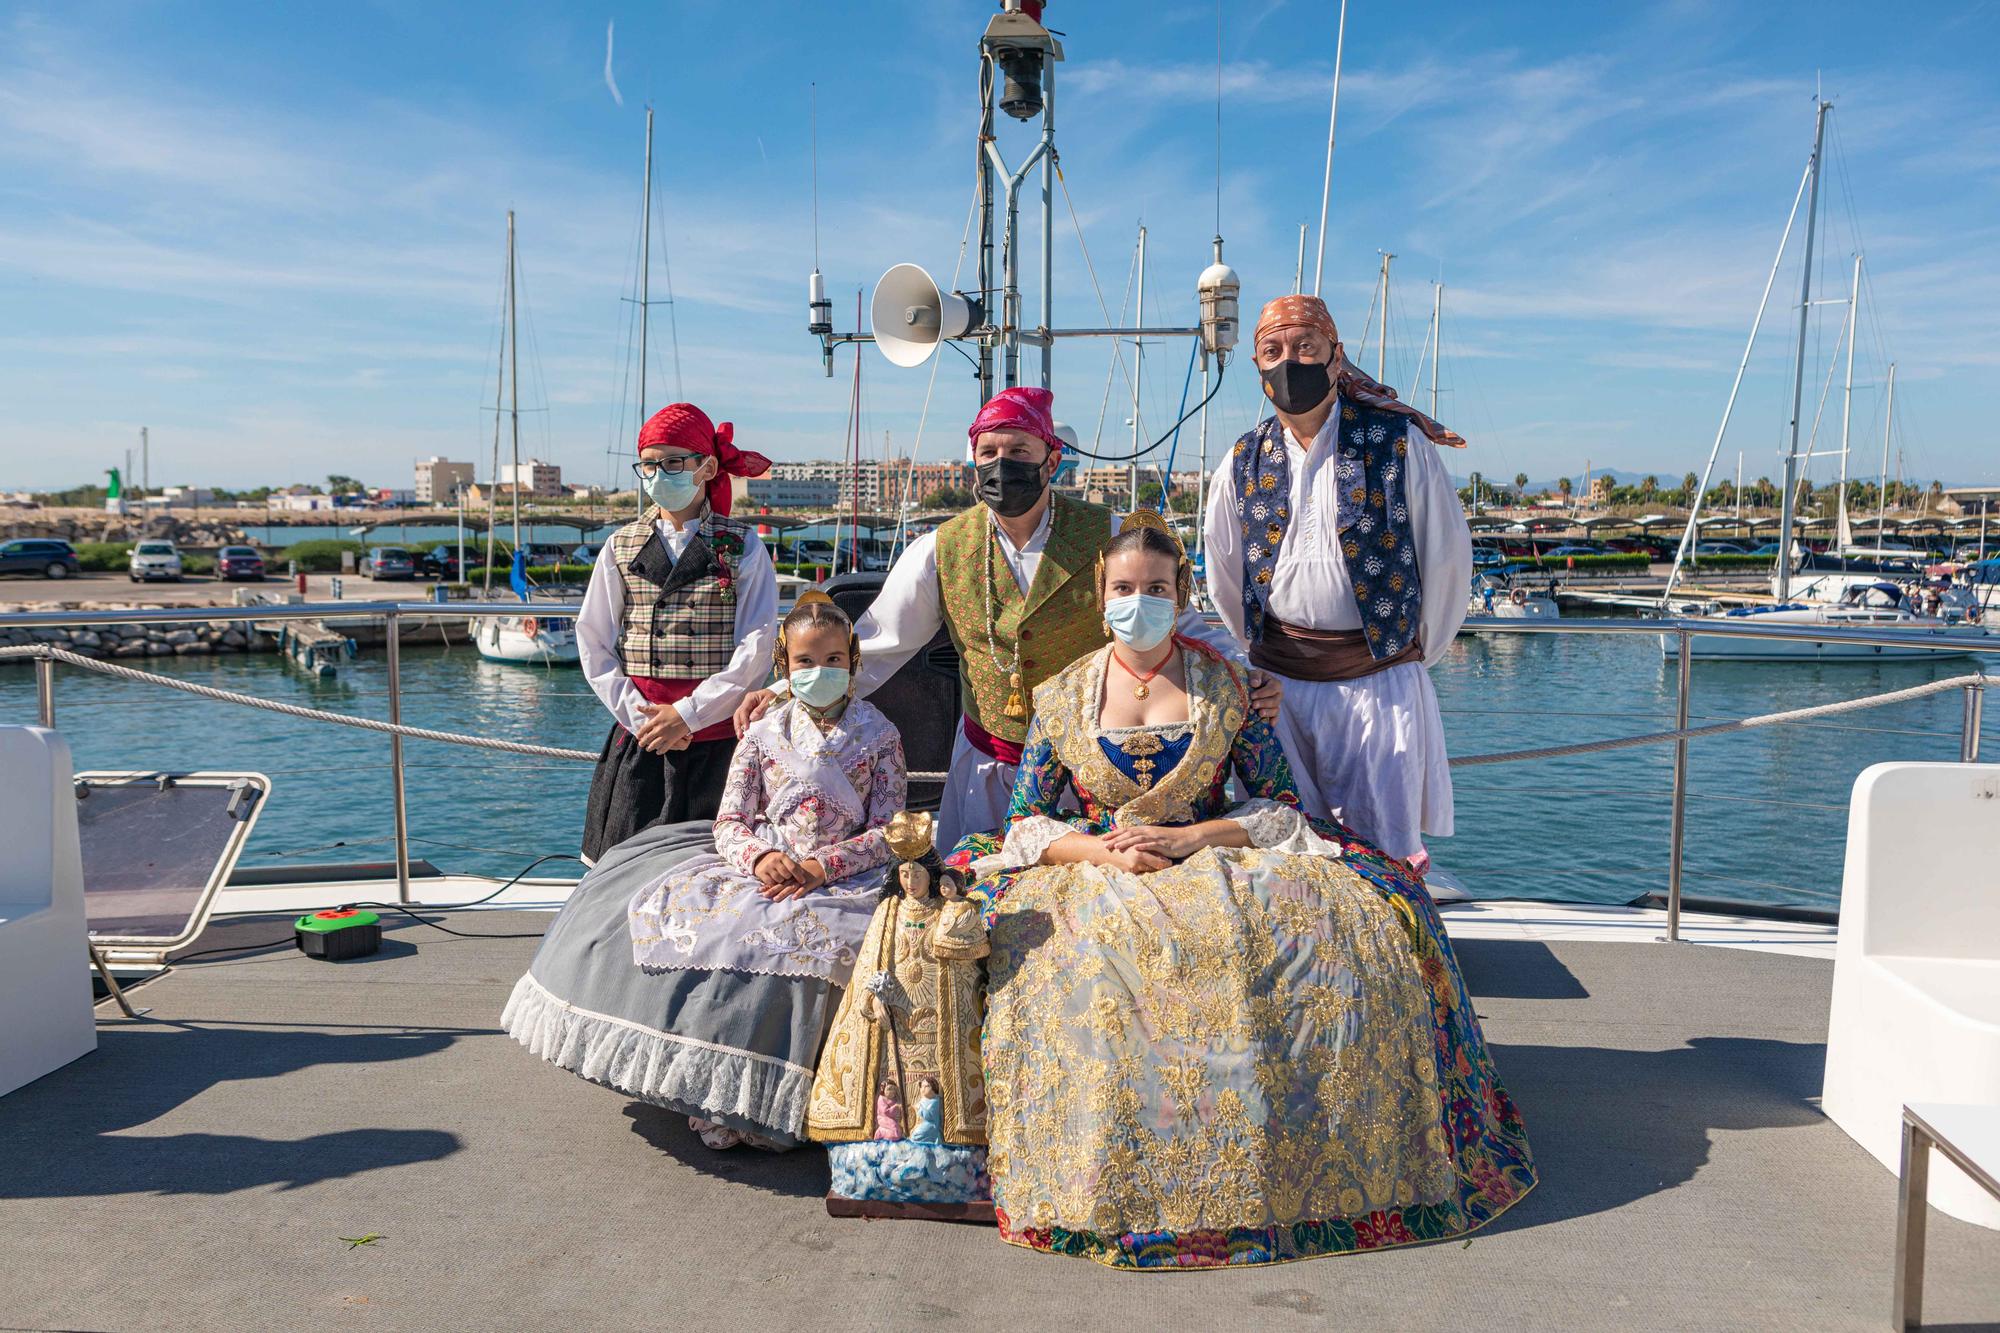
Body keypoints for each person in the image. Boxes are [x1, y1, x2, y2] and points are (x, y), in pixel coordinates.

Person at [954, 513, 1534, 1269]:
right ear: (1101, 597)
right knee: (1096, 962)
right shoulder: (1062, 693)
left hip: (1210, 850)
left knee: (1354, 922)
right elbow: (1025, 821)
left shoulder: (1226, 684)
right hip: (1096, 864)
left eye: (1155, 588)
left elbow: (1277, 806)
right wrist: (1102, 851)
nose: (1140, 600)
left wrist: (1190, 837)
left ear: (1180, 592)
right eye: (1125, 588)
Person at [734, 385, 1279, 850]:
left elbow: (1178, 621)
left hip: (1089, 776)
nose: (1002, 464)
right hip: (985, 763)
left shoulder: (1111, 533)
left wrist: (1244, 676)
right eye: (988, 451)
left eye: (1019, 449)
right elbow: (878, 645)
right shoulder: (940, 549)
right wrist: (784, 692)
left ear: (1051, 458)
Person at [504, 592, 905, 1150]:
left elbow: (889, 830)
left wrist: (821, 867)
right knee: (722, 933)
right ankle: (721, 1092)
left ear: (853, 662)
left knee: (823, 946)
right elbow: (730, 821)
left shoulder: (881, 734)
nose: (820, 672)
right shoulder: (763, 733)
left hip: (844, 876)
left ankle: (800, 1102)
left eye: (834, 660)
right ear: (784, 667)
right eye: (806, 662)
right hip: (764, 865)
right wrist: (763, 858)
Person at [1204, 294, 1473, 872]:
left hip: (1378, 686)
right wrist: (1261, 656)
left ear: (1336, 357)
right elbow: (1223, 573)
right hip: (1278, 693)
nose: (1288, 361)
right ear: (1256, 367)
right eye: (1272, 351)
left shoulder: (1399, 444)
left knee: (1381, 856)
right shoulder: (1241, 460)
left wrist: (1399, 657)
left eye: (1306, 347)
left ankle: (1396, 960)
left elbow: (1448, 564)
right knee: (1283, 850)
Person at [575, 402, 776, 865]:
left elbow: (756, 646)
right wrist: (643, 718)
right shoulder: (620, 545)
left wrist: (688, 715)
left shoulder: (742, 544)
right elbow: (594, 640)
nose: (658, 473)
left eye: (672, 462)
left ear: (706, 467)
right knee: (625, 871)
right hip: (642, 735)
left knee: (716, 872)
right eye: (648, 463)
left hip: (719, 738)